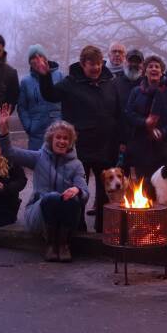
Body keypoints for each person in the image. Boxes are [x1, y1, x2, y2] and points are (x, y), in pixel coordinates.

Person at [36, 45, 122, 232]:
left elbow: (118, 112)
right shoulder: (70, 83)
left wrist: (120, 139)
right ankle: (78, 229)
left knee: (104, 192)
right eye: (92, 64)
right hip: (79, 147)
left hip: (106, 146)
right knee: (78, 190)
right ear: (83, 64)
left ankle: (102, 228)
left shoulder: (110, 82)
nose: (96, 68)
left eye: (99, 64)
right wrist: (44, 76)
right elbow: (50, 94)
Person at [0, 103, 88, 262]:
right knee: (52, 197)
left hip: (66, 215)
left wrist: (77, 191)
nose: (61, 141)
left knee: (71, 200)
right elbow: (9, 153)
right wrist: (4, 129)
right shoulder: (39, 157)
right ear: (50, 139)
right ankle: (51, 245)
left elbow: (85, 193)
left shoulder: (76, 165)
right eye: (58, 137)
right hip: (39, 214)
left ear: (71, 142)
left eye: (65, 138)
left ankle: (63, 244)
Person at [124, 55, 167, 182]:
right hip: (141, 148)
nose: (154, 69)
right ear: (144, 71)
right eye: (150, 66)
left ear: (162, 72)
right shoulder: (136, 92)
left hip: (163, 149)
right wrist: (144, 122)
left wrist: (163, 131)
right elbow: (129, 113)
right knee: (143, 187)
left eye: (157, 67)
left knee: (163, 185)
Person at [17, 44, 63, 150]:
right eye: (33, 57)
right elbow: (22, 107)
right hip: (37, 133)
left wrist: (64, 121)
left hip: (59, 130)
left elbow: (68, 102)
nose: (37, 60)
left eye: (40, 56)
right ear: (29, 62)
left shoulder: (60, 76)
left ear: (45, 58)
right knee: (38, 164)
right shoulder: (25, 82)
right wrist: (29, 126)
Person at [114, 49, 145, 166]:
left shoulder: (148, 84)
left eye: (137, 62)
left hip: (143, 140)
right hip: (119, 141)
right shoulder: (115, 84)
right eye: (131, 61)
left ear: (142, 64)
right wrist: (120, 140)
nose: (134, 64)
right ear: (125, 62)